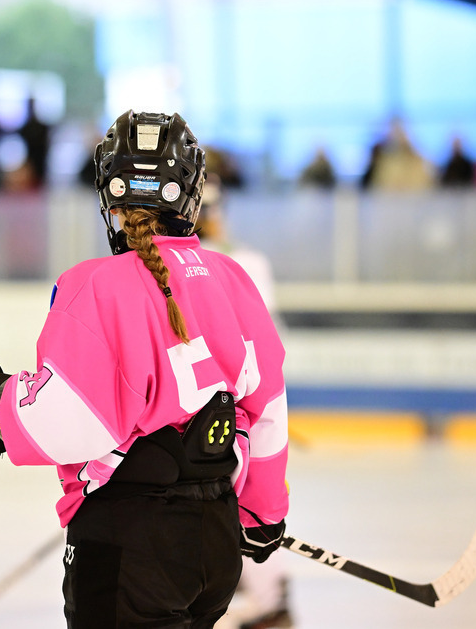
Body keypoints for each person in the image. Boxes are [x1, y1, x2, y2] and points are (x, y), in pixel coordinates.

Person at [0, 110, 290, 628]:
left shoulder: (95, 284)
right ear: (191, 193)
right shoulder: (232, 277)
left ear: (111, 195)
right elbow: (268, 410)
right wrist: (262, 513)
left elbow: (69, 421)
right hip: (213, 546)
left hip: (130, 544)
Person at [196, 177, 293, 629]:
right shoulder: (236, 260)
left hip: (221, 408)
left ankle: (270, 595)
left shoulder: (240, 261)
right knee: (235, 504)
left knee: (240, 504)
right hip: (221, 405)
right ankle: (262, 591)